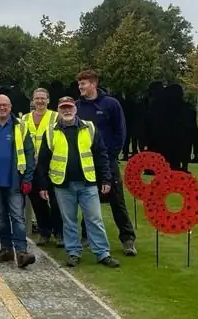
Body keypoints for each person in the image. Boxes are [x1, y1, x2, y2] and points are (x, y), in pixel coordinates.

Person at [36, 96, 120, 268]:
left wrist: (106, 178)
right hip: (62, 185)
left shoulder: (89, 128)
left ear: (75, 109)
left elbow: (101, 155)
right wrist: (43, 185)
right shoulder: (50, 132)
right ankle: (73, 252)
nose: (67, 111)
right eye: (63, 108)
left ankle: (102, 253)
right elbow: (43, 161)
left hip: (87, 183)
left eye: (69, 107)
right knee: (69, 221)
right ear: (58, 110)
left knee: (94, 219)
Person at [75, 70, 137, 257]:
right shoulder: (77, 106)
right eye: (79, 84)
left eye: (83, 84)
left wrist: (111, 154)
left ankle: (127, 239)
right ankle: (86, 236)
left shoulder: (111, 104)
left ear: (93, 84)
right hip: (86, 162)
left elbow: (120, 132)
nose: (80, 87)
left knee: (116, 200)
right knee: (87, 199)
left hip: (107, 161)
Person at [0, 94, 36, 268]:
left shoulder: (20, 126)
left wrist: (27, 178)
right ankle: (6, 250)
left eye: (5, 105)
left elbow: (29, 154)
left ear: (10, 107)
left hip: (15, 181)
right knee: (1, 218)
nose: (2, 107)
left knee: (17, 217)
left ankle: (22, 252)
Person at [23, 88, 63, 246]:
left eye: (42, 98)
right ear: (32, 100)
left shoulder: (56, 117)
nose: (39, 101)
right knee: (37, 202)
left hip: (51, 165)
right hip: (32, 167)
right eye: (36, 98)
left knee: (56, 201)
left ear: (48, 100)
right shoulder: (25, 119)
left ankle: (59, 233)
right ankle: (44, 231)